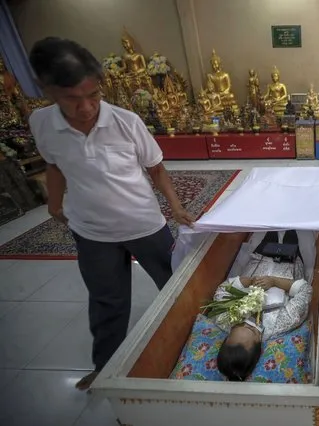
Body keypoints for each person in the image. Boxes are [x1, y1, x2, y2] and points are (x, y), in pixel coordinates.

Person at [28, 37, 195, 390]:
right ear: (48, 91)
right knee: (107, 301)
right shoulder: (42, 123)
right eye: (72, 99)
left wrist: (176, 207)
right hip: (91, 232)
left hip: (145, 224)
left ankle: (194, 349)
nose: (87, 108)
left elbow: (157, 169)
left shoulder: (126, 121)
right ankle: (105, 366)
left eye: (94, 96)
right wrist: (53, 202)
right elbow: (54, 165)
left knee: (175, 287)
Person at [215, 231, 312, 381]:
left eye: (238, 326)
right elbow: (305, 290)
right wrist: (275, 281)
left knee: (268, 219)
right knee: (294, 225)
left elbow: (223, 289)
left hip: (259, 258)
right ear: (259, 343)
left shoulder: (225, 320)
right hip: (290, 259)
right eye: (251, 329)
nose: (248, 322)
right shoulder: (280, 324)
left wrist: (249, 281)